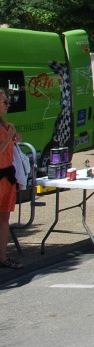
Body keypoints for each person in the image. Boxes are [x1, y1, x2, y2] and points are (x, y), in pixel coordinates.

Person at [0, 89, 23, 269]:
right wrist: (9, 138)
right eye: (4, 102)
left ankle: (2, 256)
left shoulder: (4, 123)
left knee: (5, 217)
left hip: (7, 176)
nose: (8, 105)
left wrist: (13, 139)